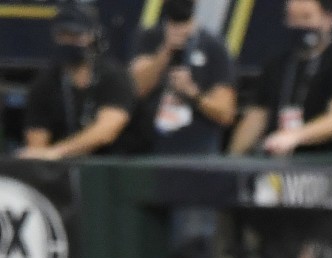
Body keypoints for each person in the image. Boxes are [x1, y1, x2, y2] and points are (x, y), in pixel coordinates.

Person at [229, 0, 332, 157]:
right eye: (293, 19)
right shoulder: (277, 64)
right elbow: (257, 116)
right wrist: (233, 159)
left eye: (306, 18)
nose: (300, 26)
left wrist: (295, 136)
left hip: (325, 164)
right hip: (280, 166)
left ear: (328, 20)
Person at [21, 2, 135, 160]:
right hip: (61, 174)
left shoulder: (113, 76)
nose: (69, 41)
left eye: (75, 35)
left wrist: (57, 152)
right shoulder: (45, 83)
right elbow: (36, 145)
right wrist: (45, 155)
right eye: (63, 35)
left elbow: (107, 131)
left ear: (90, 36)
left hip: (113, 169)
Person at [129, 0, 236, 156]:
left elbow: (225, 113)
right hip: (149, 152)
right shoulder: (148, 38)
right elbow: (134, 90)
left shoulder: (214, 46)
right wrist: (165, 50)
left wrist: (192, 93)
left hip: (196, 156)